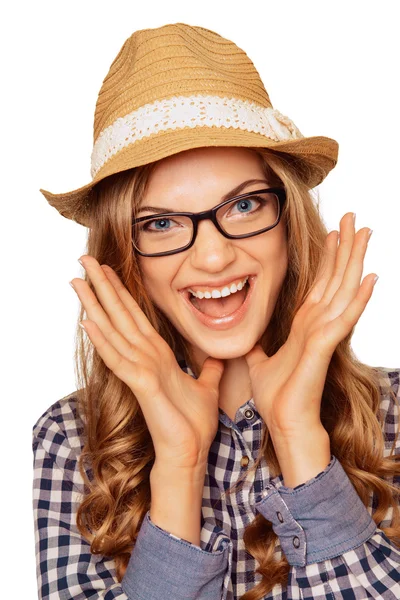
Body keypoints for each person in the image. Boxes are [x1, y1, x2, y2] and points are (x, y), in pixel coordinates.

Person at [32, 22, 400, 600]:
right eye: (160, 223)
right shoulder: (69, 443)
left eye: (246, 204)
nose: (212, 255)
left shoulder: (394, 414)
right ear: (122, 257)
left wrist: (299, 435)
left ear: (289, 224)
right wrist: (179, 467)